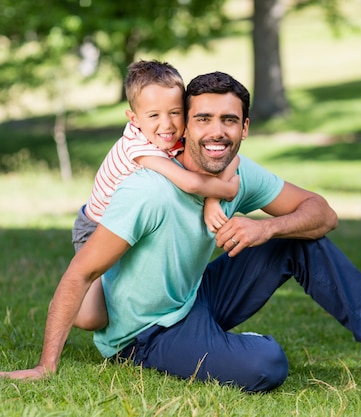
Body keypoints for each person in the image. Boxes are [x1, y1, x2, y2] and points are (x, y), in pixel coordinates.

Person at [0, 71, 361, 391]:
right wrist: (46, 365)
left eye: (228, 120)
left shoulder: (237, 174)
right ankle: (212, 346)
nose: (215, 131)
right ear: (186, 127)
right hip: (144, 334)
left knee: (300, 236)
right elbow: (79, 273)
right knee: (267, 365)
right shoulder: (148, 189)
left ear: (244, 127)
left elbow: (322, 213)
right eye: (202, 118)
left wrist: (267, 229)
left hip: (194, 294)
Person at [71, 60, 239, 330]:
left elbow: (233, 158)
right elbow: (188, 182)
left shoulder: (177, 135)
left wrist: (212, 201)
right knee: (92, 318)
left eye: (175, 113)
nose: (167, 125)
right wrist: (226, 190)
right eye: (154, 116)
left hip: (135, 224)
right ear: (134, 119)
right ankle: (72, 292)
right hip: (96, 226)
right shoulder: (136, 145)